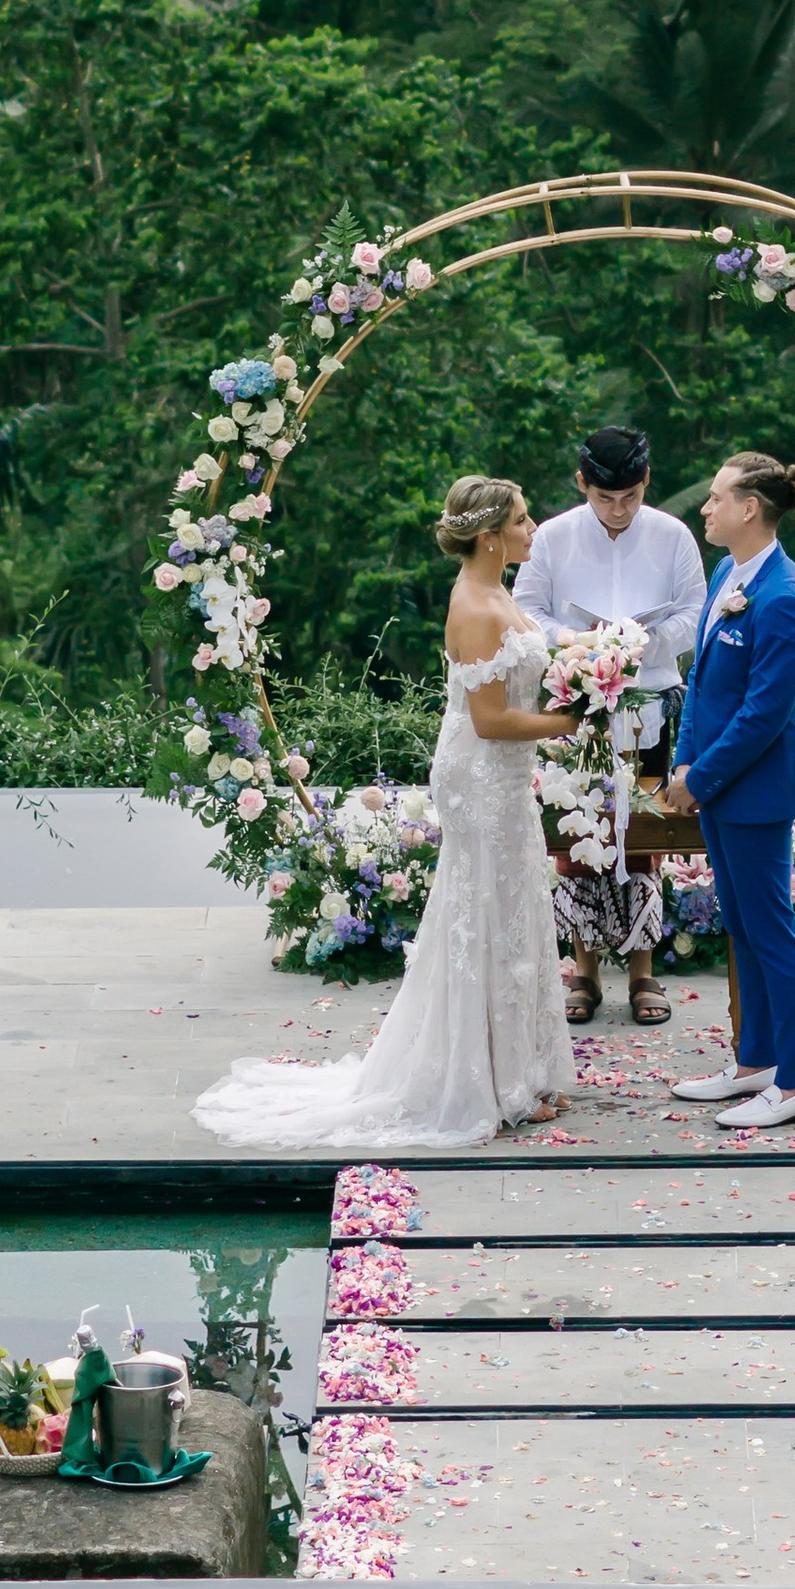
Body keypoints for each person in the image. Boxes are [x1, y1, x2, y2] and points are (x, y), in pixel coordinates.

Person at [192, 477, 582, 1150]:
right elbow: (490, 721)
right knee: (486, 910)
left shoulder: (498, 591)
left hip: (503, 778)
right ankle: (491, 1080)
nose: (534, 527)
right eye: (523, 519)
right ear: (491, 536)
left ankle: (520, 1065)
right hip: (483, 775)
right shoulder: (477, 607)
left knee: (510, 906)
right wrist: (566, 721)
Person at [513, 424, 705, 1029]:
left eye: (630, 498)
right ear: (582, 485)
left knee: (645, 835)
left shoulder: (673, 536)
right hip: (577, 707)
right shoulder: (554, 537)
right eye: (604, 499)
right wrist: (577, 641)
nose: (618, 511)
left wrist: (642, 644)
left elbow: (697, 612)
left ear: (646, 483)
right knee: (578, 834)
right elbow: (525, 610)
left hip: (650, 705)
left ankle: (644, 969)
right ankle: (586, 970)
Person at [660, 451, 795, 1131]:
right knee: (744, 930)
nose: (705, 507)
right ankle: (756, 1060)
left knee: (772, 933)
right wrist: (683, 764)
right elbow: (702, 682)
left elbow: (767, 713)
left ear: (749, 508)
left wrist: (700, 777)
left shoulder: (786, 597)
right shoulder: (728, 572)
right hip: (716, 787)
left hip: (755, 795)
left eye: (717, 497)